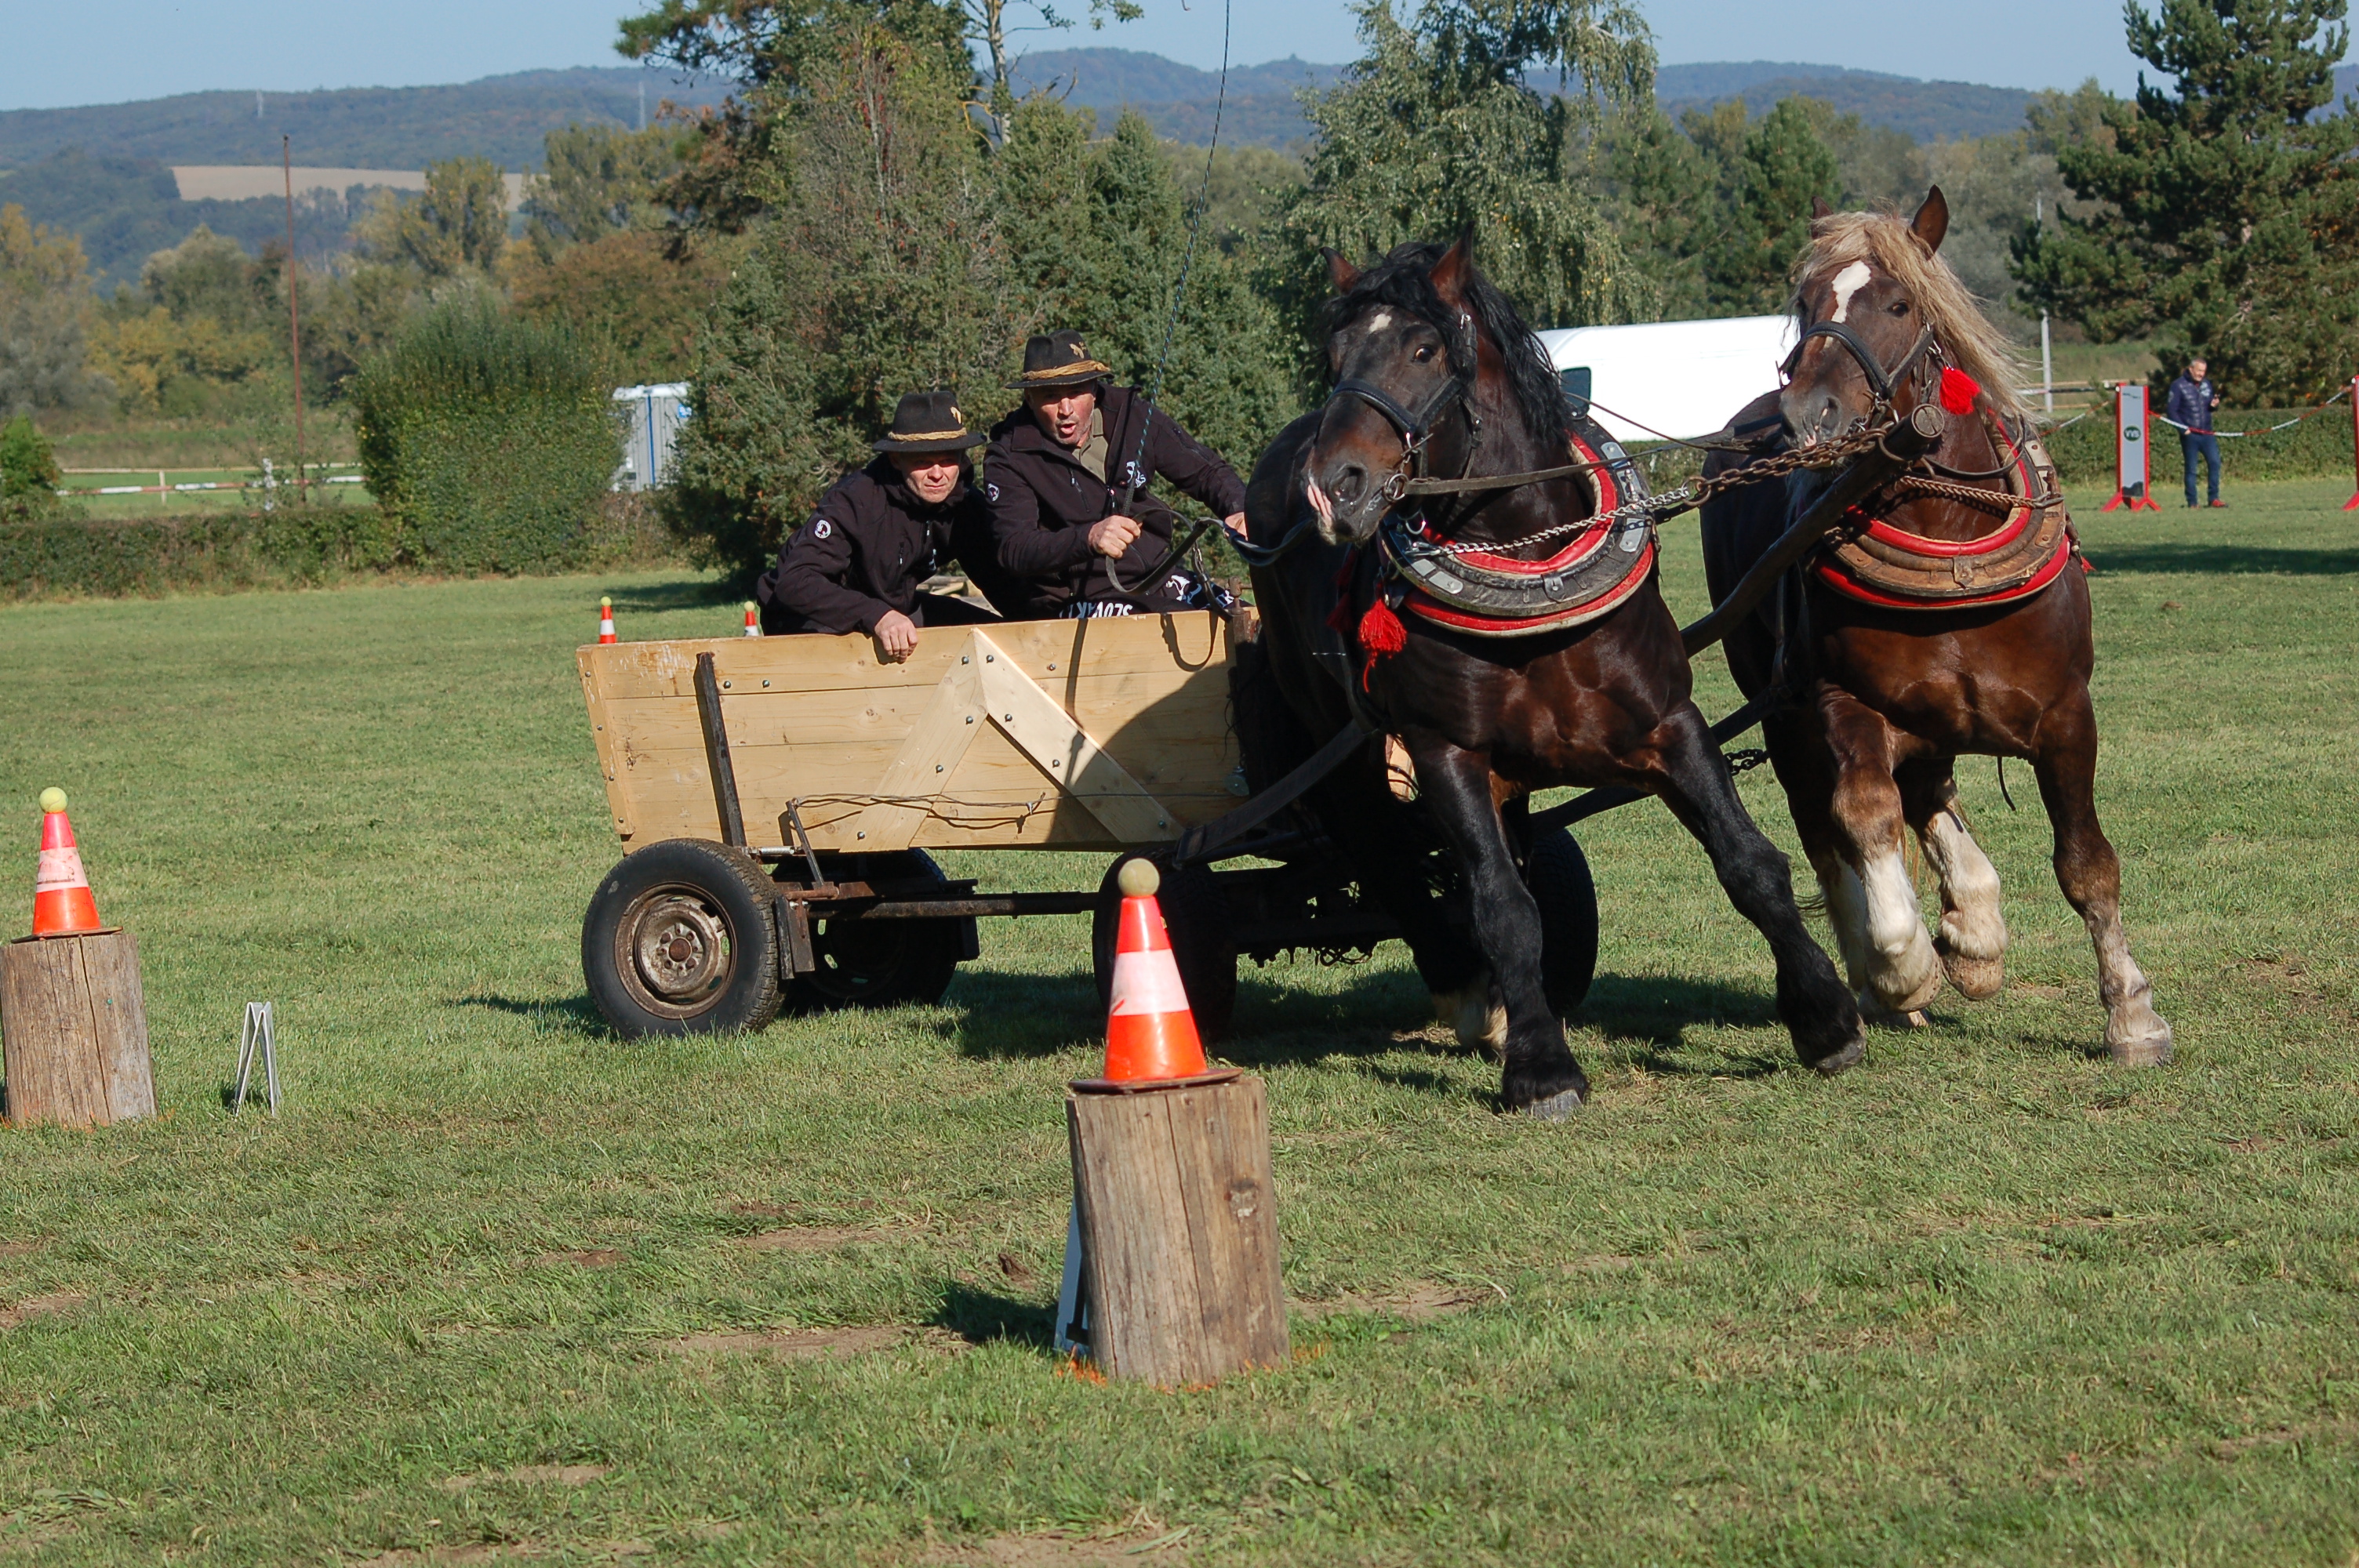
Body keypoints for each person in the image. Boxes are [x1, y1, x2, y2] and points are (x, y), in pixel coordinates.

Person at [983, 330, 1247, 619]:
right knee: (1187, 626)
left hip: (1160, 576)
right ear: (1029, 398)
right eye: (1050, 396)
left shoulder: (1131, 413)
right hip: (1077, 599)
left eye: (1075, 392)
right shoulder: (1008, 454)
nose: (1066, 410)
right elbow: (1014, 549)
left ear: (1094, 389)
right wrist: (1087, 538)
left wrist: (1238, 509)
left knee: (1249, 619)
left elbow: (1205, 470)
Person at [755, 390, 1021, 659]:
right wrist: (876, 615)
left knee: (996, 637)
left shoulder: (966, 506)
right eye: (923, 461)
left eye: (948, 459)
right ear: (896, 459)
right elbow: (795, 583)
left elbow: (999, 581)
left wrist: (1041, 620)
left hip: (894, 609)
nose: (938, 474)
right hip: (808, 616)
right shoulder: (856, 501)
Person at [2166, 357, 2224, 508]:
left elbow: (2207, 407)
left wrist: (2213, 405)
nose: (2201, 374)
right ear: (2191, 369)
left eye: (2203, 371)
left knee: (2215, 463)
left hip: (2207, 432)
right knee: (2191, 469)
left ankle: (2214, 499)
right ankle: (2192, 502)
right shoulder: (2178, 386)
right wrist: (2182, 429)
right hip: (2190, 434)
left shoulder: (2206, 384)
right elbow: (2172, 411)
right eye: (2198, 371)